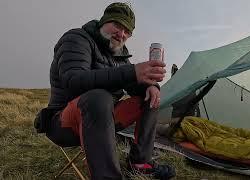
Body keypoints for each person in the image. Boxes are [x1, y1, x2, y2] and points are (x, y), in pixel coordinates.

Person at [37, 2, 175, 180]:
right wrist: (132, 71)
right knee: (99, 97)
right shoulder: (76, 39)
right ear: (104, 22)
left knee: (150, 97)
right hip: (63, 123)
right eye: (117, 25)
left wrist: (152, 86)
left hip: (103, 119)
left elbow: (133, 84)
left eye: (127, 31)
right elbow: (73, 80)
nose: (121, 34)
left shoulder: (120, 55)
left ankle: (140, 163)